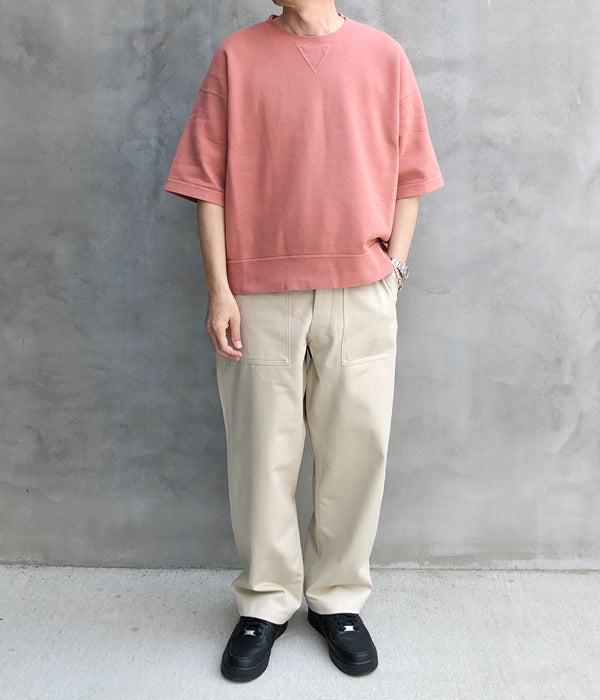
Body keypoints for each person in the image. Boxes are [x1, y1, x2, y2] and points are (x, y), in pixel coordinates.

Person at [164, 0, 443, 682]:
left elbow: (411, 174)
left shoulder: (383, 56)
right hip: (258, 293)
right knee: (262, 454)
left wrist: (394, 271)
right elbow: (206, 183)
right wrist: (220, 290)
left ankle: (337, 600)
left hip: (361, 290)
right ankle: (265, 602)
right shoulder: (236, 57)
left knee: (357, 451)